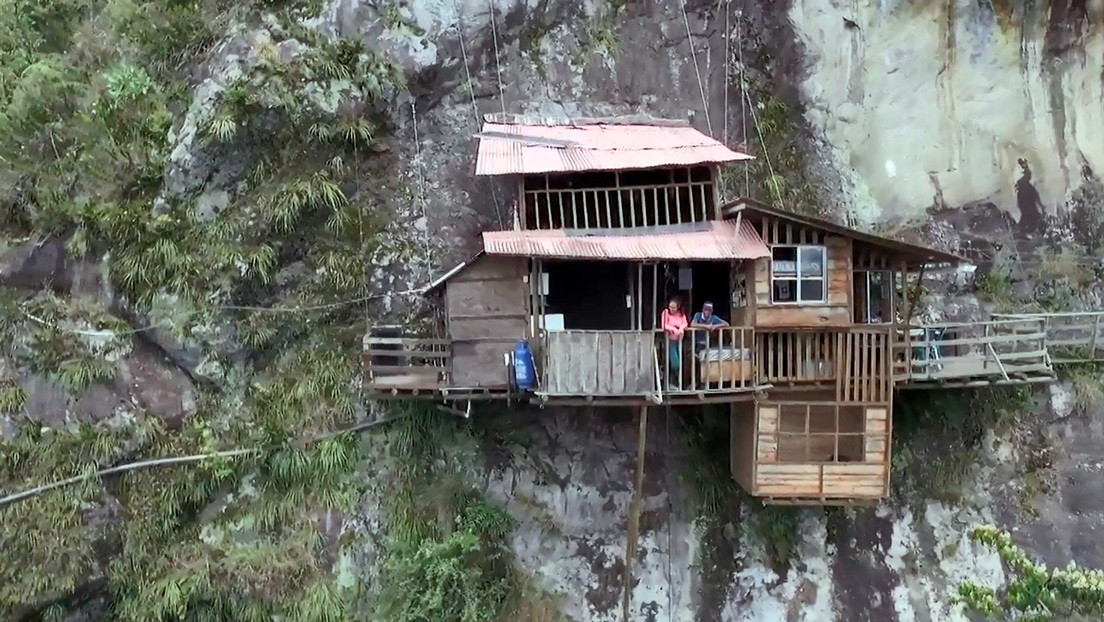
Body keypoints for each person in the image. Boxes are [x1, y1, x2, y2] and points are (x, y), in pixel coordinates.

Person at [660, 297, 688, 388]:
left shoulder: (681, 314)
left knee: (680, 362)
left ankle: (676, 383)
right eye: (670, 307)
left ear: (678, 307)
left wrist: (681, 328)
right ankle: (673, 382)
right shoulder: (666, 313)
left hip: (679, 341)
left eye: (673, 307)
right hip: (670, 340)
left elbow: (685, 323)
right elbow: (664, 325)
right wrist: (673, 329)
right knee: (675, 363)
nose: (671, 309)